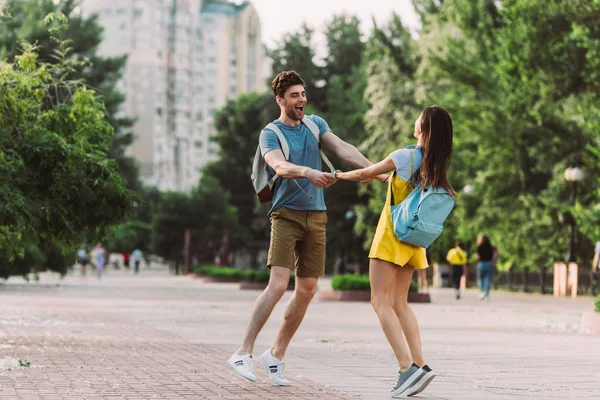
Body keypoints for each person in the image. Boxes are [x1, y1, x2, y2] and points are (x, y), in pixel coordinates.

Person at [228, 71, 380, 386]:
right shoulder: (270, 133)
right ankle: (243, 352)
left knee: (309, 289)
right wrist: (308, 172)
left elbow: (342, 148)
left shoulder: (315, 124)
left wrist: (374, 171)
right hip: (285, 215)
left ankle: (276, 354)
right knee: (278, 284)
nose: (301, 100)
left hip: (317, 214)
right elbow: (279, 166)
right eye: (295, 95)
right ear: (280, 100)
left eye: (303, 93)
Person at [335, 105, 456, 397]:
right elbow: (390, 180)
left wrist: (339, 175)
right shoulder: (434, 164)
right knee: (400, 303)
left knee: (379, 301)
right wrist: (371, 175)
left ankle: (406, 369)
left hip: (391, 235)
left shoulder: (404, 155)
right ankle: (421, 364)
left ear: (423, 128)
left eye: (419, 117)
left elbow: (366, 172)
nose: (414, 118)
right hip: (414, 240)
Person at [474, 234, 495, 301]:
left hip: (482, 264)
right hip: (489, 263)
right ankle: (487, 295)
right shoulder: (491, 247)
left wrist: (476, 256)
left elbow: (479, 256)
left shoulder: (480, 246)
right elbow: (492, 256)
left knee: (480, 279)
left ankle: (482, 292)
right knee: (488, 279)